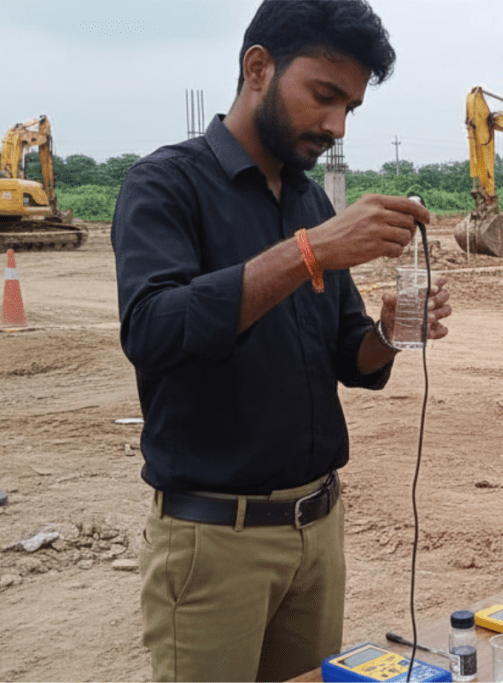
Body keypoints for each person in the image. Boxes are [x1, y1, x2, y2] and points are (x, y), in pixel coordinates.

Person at [110, 1, 452, 680]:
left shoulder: (306, 200)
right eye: (324, 96)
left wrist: (389, 331)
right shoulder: (165, 185)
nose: (336, 125)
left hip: (316, 532)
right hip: (214, 542)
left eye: (350, 107)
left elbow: (346, 353)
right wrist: (308, 252)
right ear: (258, 68)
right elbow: (153, 329)